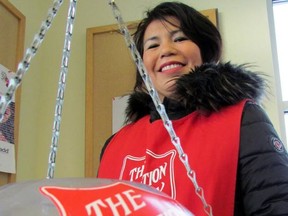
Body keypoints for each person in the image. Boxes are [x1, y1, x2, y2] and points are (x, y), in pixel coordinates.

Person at [97, 2, 288, 215]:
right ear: (143, 65)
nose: (166, 50)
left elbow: (276, 205)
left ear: (204, 52)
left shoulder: (243, 120)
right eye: (152, 46)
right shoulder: (116, 145)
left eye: (180, 38)